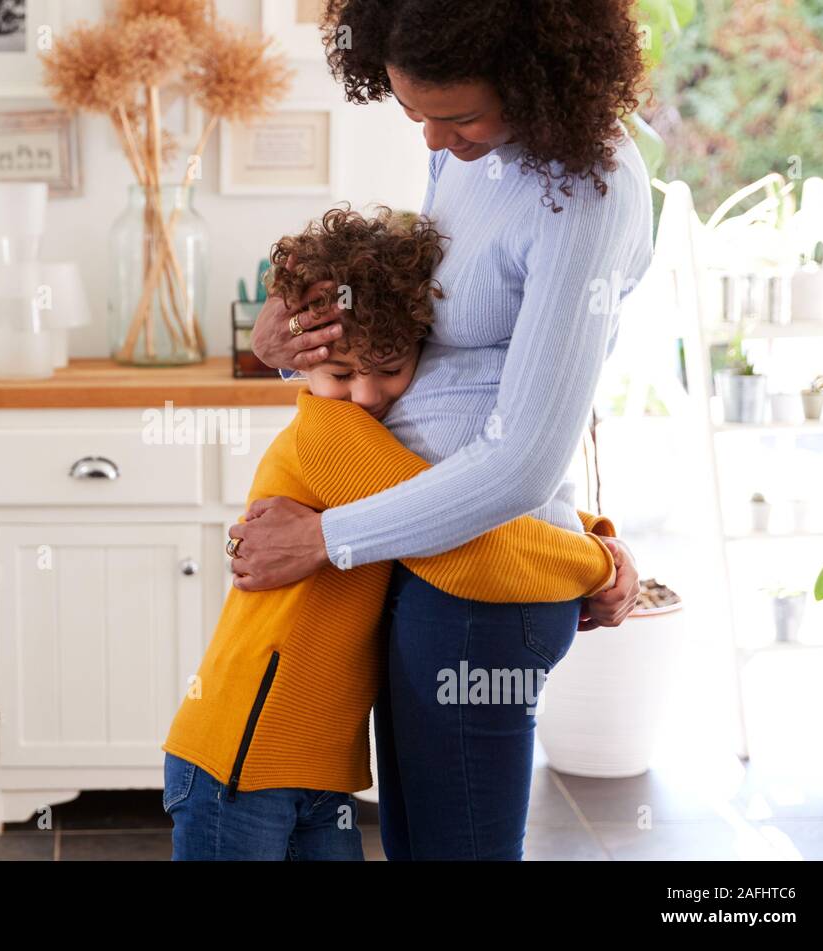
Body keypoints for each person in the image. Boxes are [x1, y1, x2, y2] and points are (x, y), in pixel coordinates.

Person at [234, 0, 653, 859]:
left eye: (456, 116)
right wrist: (283, 345)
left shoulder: (590, 189)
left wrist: (325, 538)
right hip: (415, 549)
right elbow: (416, 336)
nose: (431, 141)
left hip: (480, 586)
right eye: (411, 111)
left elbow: (522, 461)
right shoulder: (466, 158)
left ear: (537, 75)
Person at [163, 207, 619, 861]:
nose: (369, 393)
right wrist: (599, 561)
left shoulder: (380, 430)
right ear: (304, 361)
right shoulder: (333, 436)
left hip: (318, 773)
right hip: (242, 763)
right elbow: (468, 547)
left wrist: (589, 530)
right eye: (343, 374)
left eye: (389, 367)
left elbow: (471, 502)